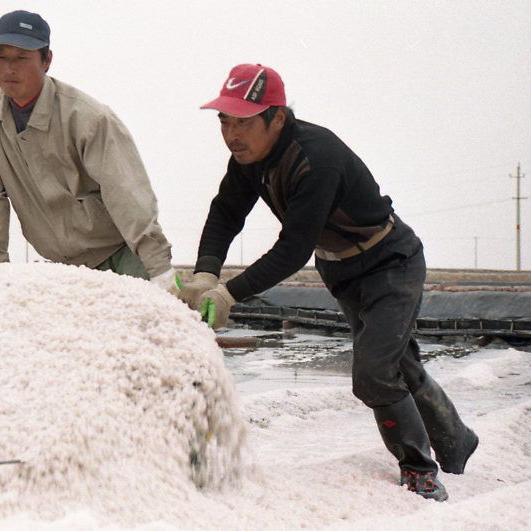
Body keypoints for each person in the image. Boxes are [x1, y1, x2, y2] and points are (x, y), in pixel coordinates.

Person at [179, 63, 478, 501]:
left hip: (390, 262)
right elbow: (226, 212)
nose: (232, 134)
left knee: (374, 372)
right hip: (340, 268)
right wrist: (206, 270)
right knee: (397, 363)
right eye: (225, 121)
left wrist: (229, 293)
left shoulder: (314, 157)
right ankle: (457, 443)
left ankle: (419, 469)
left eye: (244, 121)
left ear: (277, 117)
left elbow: (293, 247)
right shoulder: (248, 159)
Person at [0, 10, 178, 292]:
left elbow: (126, 192)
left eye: (21, 58)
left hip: (121, 256)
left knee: (148, 331)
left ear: (47, 60)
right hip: (62, 268)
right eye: (1, 57)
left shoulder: (87, 117)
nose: (9, 69)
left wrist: (159, 269)